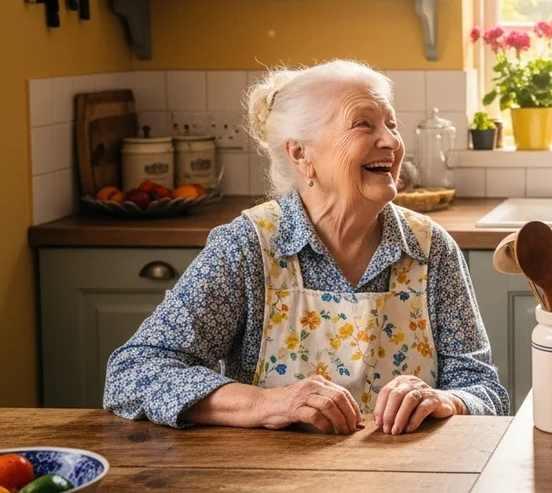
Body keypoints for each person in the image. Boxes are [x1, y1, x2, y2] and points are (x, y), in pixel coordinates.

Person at [105, 60, 510, 434]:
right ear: (300, 153)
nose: (390, 141)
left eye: (392, 124)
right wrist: (265, 404)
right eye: (363, 125)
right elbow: (133, 372)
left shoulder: (430, 248)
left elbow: (484, 388)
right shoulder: (248, 247)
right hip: (275, 479)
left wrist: (448, 400)